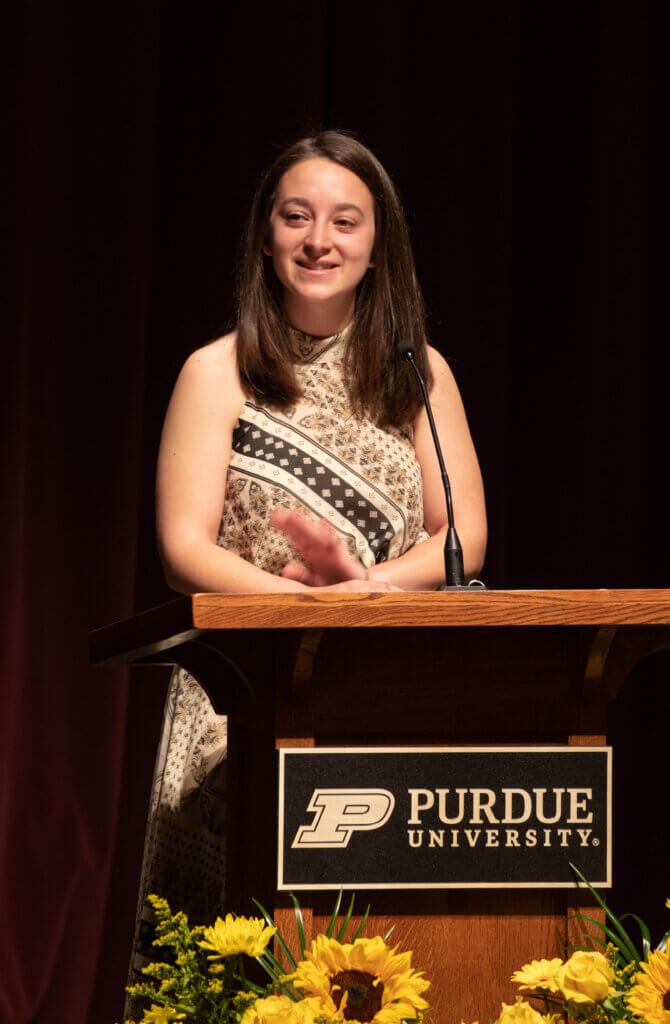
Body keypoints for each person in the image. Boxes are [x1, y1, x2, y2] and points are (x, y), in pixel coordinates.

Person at [125, 130, 486, 1013]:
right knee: (228, 960)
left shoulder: (419, 375)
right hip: (240, 696)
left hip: (385, 685)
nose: (319, 239)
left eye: (345, 221)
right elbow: (185, 545)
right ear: (265, 236)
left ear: (376, 247)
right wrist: (302, 603)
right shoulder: (218, 373)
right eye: (297, 217)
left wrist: (364, 596)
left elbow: (462, 539)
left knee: (380, 965)